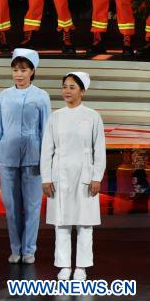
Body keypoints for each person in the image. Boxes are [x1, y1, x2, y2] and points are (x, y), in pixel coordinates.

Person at [41, 72, 105, 281]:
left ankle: (82, 267)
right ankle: (64, 266)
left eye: (72, 87)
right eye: (64, 86)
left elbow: (99, 150)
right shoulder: (55, 116)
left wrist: (96, 177)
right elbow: (47, 149)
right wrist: (46, 178)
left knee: (84, 223)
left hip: (85, 173)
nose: (66, 91)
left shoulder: (93, 116)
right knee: (62, 223)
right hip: (60, 173)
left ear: (82, 91)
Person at [0, 48, 51, 264]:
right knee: (11, 206)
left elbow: (47, 130)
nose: (19, 74)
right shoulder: (4, 95)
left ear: (32, 71)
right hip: (7, 156)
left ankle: (29, 249)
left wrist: (47, 160)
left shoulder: (41, 96)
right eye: (15, 69)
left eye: (23, 70)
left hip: (34, 157)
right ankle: (16, 248)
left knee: (33, 206)